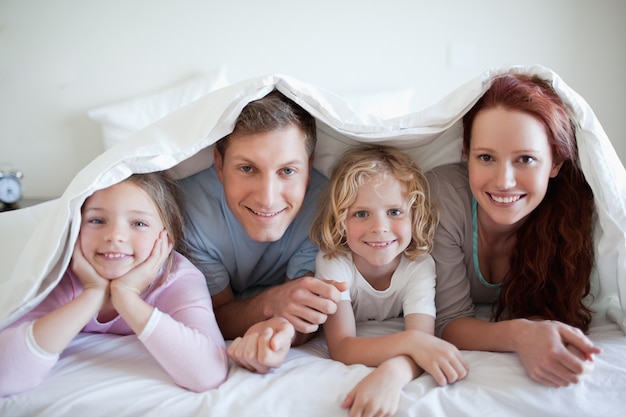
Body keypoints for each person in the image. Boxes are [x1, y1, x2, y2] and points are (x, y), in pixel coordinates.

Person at [427, 72, 602, 389]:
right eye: (486, 157)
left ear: (554, 164)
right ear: (466, 155)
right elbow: (449, 323)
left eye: (525, 158)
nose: (504, 181)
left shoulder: (568, 218)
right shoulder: (443, 197)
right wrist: (522, 334)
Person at [0, 172, 229, 397]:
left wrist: (126, 296)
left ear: (167, 238)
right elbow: (5, 375)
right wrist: (92, 294)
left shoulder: (178, 279)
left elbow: (208, 373)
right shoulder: (60, 274)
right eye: (97, 220)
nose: (115, 236)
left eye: (138, 223)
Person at [177, 90, 345, 373]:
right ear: (219, 165)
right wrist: (270, 304)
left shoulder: (326, 208)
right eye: (247, 168)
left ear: (309, 167)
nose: (267, 199)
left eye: (287, 171)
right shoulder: (190, 212)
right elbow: (214, 315)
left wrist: (281, 331)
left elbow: (303, 311)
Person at [310, 145, 468, 417]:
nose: (379, 227)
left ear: (414, 215)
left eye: (394, 212)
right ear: (340, 221)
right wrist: (412, 343)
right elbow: (343, 347)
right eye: (361, 214)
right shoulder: (333, 262)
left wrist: (393, 373)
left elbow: (423, 341)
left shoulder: (419, 265)